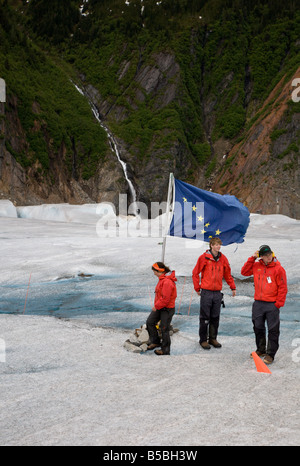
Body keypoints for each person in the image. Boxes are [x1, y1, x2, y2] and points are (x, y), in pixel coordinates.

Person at [241, 245, 288, 364]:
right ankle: (260, 349)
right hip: (258, 303)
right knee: (258, 327)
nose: (269, 257)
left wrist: (278, 304)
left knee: (273, 330)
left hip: (272, 304)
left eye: (270, 255)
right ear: (261, 257)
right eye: (266, 256)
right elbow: (244, 272)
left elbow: (283, 287)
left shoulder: (278, 268)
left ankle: (270, 354)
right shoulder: (256, 265)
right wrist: (252, 258)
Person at [192, 237, 236, 350]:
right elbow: (195, 273)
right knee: (205, 317)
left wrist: (233, 287)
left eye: (219, 244)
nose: (218, 246)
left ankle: (213, 338)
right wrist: (197, 287)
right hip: (206, 292)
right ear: (211, 245)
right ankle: (203, 340)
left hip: (217, 293)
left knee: (215, 317)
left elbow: (227, 274)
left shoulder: (223, 259)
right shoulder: (204, 258)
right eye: (216, 244)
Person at [146, 262, 177, 355]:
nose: (154, 273)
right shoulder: (162, 279)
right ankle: (155, 341)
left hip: (167, 309)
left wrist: (156, 306)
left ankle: (165, 350)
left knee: (164, 328)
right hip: (161, 307)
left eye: (154, 271)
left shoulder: (167, 281)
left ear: (159, 271)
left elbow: (165, 299)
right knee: (150, 322)